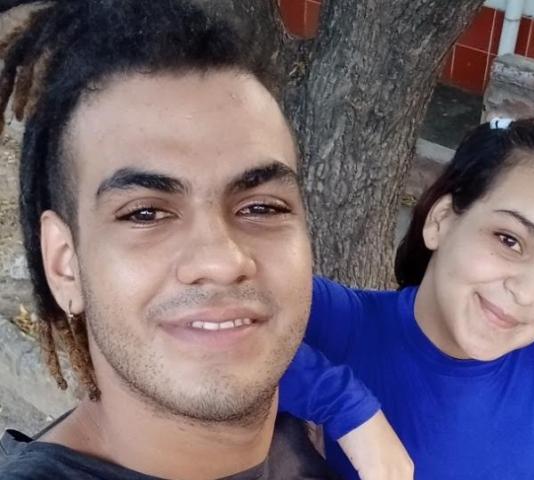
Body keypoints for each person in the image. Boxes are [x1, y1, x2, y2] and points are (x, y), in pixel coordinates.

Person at [0, 1, 414, 478]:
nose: (222, 260)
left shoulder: (299, 433)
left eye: (262, 207)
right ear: (64, 265)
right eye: (146, 213)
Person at [282, 117, 534, 479]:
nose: (525, 294)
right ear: (440, 220)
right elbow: (235, 309)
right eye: (510, 241)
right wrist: (343, 404)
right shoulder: (342, 324)